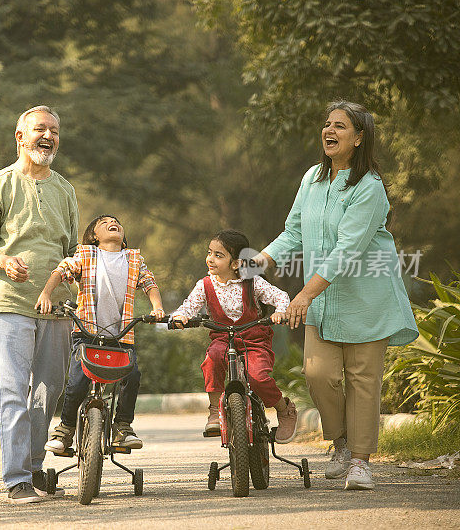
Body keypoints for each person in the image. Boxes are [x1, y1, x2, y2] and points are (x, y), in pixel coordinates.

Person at [255, 100, 418, 490]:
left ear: (359, 138)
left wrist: (303, 295)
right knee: (318, 374)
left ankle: (361, 462)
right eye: (327, 124)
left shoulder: (370, 187)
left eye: (341, 126)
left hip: (365, 299)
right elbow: (294, 230)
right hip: (322, 301)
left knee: (363, 380)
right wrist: (258, 260)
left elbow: (347, 251)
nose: (330, 131)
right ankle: (342, 443)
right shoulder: (313, 177)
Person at [0, 105, 79, 504]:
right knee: (13, 389)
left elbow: (72, 251)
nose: (47, 136)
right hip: (9, 302)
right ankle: (17, 479)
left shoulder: (65, 189)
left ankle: (33, 465)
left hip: (57, 306)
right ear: (20, 137)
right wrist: (2, 261)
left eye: (54, 130)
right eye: (39, 129)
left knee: (49, 391)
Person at [36, 215, 164, 454]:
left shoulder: (133, 259)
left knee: (132, 375)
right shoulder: (85, 255)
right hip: (87, 333)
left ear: (123, 237)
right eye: (104, 222)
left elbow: (149, 283)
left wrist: (157, 307)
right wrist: (46, 294)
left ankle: (123, 427)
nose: (112, 223)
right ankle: (65, 430)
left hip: (121, 336)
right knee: (77, 380)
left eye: (116, 222)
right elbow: (62, 271)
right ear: (94, 236)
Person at [169, 229, 298, 442]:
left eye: (218, 255)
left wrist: (281, 312)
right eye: (209, 253)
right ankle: (214, 411)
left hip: (254, 340)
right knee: (212, 359)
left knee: (258, 377)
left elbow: (281, 297)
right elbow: (189, 306)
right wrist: (181, 317)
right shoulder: (205, 284)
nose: (210, 259)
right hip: (222, 338)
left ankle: (284, 409)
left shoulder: (252, 282)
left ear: (236, 263)